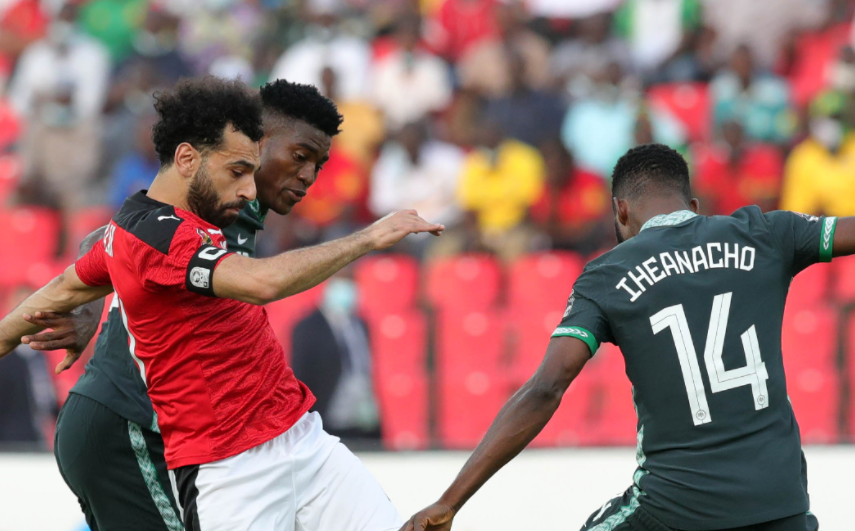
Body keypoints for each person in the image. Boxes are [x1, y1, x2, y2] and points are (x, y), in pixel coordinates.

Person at [0, 77, 442, 531]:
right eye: (299, 156)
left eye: (318, 165)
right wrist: (90, 312)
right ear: (258, 142)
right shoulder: (200, 201)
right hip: (129, 421)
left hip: (232, 433)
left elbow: (112, 243)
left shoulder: (229, 205)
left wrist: (89, 305)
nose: (308, 176)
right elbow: (120, 240)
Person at [401, 143, 855, 531]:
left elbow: (546, 387)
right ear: (693, 206)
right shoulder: (765, 233)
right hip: (781, 504)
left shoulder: (607, 274)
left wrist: (450, 501)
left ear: (620, 210)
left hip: (676, 508)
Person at [291, 270, 381, 442]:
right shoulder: (308, 327)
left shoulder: (360, 324)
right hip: (328, 416)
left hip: (361, 417)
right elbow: (302, 374)